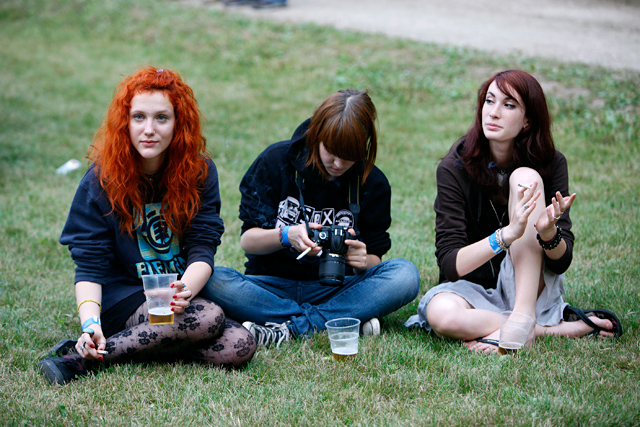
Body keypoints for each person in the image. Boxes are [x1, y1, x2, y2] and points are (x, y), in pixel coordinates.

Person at [39, 67, 256, 385]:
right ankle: (81, 359)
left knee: (240, 346)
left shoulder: (199, 171)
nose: (149, 130)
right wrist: (90, 322)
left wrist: (187, 289)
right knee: (209, 317)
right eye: (138, 117)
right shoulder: (101, 179)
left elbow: (202, 244)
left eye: (161, 118)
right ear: (125, 122)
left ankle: (108, 350)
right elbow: (89, 264)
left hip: (174, 292)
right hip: (123, 296)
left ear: (178, 123)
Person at [405, 70, 623, 354]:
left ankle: (520, 319)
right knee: (441, 316)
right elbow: (450, 264)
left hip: (530, 290)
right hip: (472, 291)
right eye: (489, 101)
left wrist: (548, 234)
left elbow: (561, 261)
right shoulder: (454, 168)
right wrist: (506, 235)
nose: (493, 113)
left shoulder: (551, 163)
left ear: (528, 120)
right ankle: (541, 330)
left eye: (509, 105)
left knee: (526, 177)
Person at [200, 89, 420, 347]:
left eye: (348, 157)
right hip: (271, 285)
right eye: (331, 151)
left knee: (405, 274)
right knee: (211, 278)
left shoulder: (373, 183)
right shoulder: (275, 162)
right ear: (317, 134)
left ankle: (288, 327)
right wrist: (286, 235)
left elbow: (375, 259)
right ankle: (342, 320)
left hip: (337, 287)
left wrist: (362, 260)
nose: (338, 164)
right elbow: (248, 241)